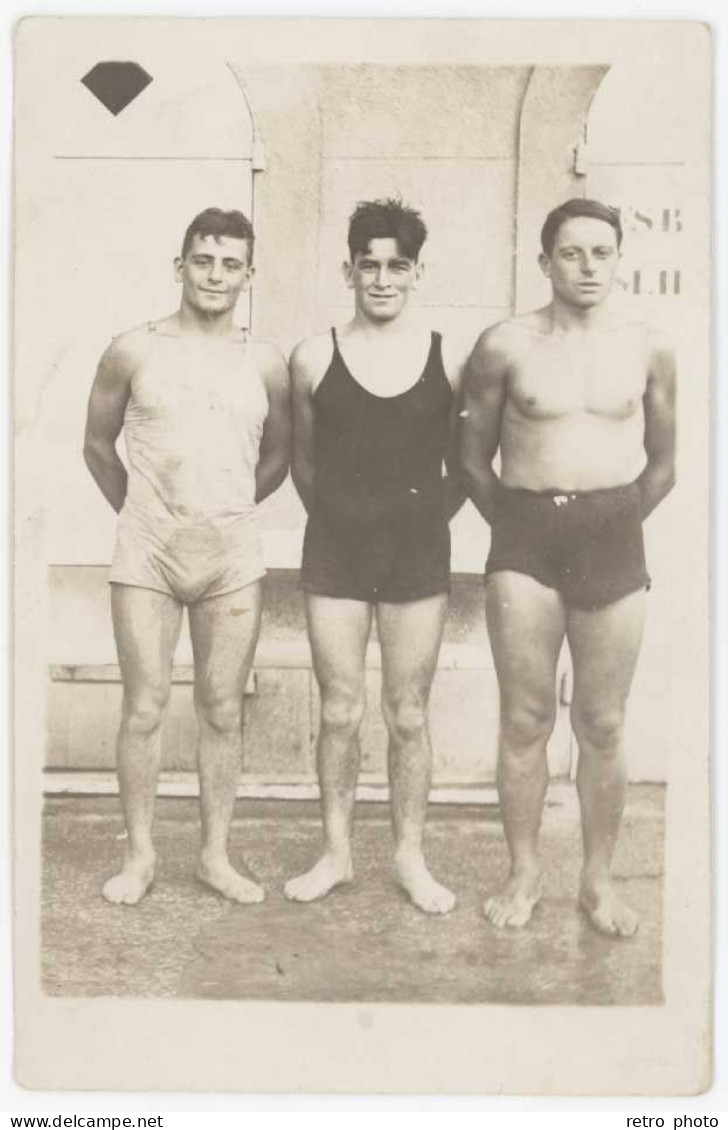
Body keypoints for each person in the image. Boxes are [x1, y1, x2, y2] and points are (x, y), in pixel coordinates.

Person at [460, 198, 676, 936]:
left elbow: (664, 464)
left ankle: (598, 880)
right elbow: (467, 460)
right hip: (524, 537)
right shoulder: (503, 345)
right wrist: (523, 527)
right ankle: (523, 873)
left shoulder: (647, 346)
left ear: (619, 258)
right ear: (545, 259)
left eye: (602, 252)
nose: (588, 267)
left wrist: (609, 524)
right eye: (573, 252)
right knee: (525, 718)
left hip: (612, 535)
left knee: (603, 722)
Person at [83, 207, 291, 905]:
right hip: (148, 553)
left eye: (231, 263)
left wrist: (224, 510)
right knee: (143, 707)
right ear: (180, 266)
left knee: (223, 708)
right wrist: (145, 514)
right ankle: (139, 857)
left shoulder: (263, 360)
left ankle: (214, 856)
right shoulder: (133, 349)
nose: (215, 274)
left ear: (248, 275)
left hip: (231, 555)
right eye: (203, 260)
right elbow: (96, 444)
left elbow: (281, 454)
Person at [285, 198, 466, 914]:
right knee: (338, 709)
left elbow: (464, 461)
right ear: (349, 270)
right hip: (336, 547)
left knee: (409, 712)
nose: (383, 279)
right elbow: (303, 465)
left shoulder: (448, 355)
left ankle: (409, 857)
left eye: (398, 266)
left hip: (418, 551)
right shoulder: (313, 355)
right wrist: (347, 522)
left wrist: (416, 521)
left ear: (418, 270)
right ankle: (336, 852)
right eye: (370, 265)